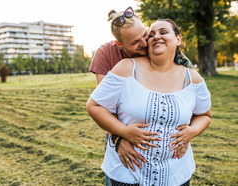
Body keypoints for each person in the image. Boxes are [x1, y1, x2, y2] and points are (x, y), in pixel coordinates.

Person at [86, 18, 212, 185]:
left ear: (178, 39)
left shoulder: (192, 79)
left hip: (175, 174)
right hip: (128, 172)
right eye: (152, 34)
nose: (155, 37)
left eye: (163, 32)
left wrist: (192, 131)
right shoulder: (126, 68)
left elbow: (205, 115)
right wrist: (122, 134)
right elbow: (95, 106)